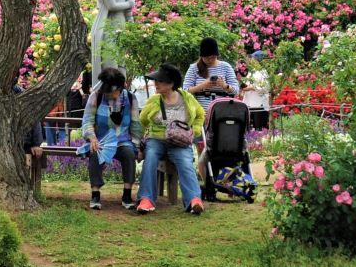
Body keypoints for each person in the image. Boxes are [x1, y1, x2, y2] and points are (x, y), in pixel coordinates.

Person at [136, 63, 206, 215]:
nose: (155, 84)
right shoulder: (154, 100)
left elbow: (201, 114)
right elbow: (142, 121)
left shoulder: (187, 98)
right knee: (151, 158)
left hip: (179, 142)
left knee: (186, 162)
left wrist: (194, 130)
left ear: (171, 83)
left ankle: (194, 200)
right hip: (156, 139)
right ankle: (146, 199)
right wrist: (138, 143)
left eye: (159, 81)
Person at [80, 67, 142, 210]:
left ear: (120, 87)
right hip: (101, 141)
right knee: (95, 153)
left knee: (128, 154)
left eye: (111, 91)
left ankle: (127, 195)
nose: (108, 94)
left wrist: (136, 145)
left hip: (123, 141)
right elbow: (87, 121)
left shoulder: (131, 98)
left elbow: (135, 124)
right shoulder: (96, 96)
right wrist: (92, 138)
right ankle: (95, 194)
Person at [183, 37, 240, 112]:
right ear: (202, 56)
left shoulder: (226, 67)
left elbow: (236, 91)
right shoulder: (194, 68)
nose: (210, 60)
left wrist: (224, 85)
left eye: (213, 57)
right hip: (200, 113)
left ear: (217, 55)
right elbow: (185, 91)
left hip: (222, 113)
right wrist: (202, 85)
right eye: (207, 58)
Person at [242, 50, 271, 130]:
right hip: (249, 104)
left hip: (259, 105)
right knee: (250, 129)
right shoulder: (251, 72)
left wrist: (252, 87)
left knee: (259, 128)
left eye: (253, 59)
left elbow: (266, 88)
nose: (251, 61)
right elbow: (245, 85)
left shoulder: (263, 72)